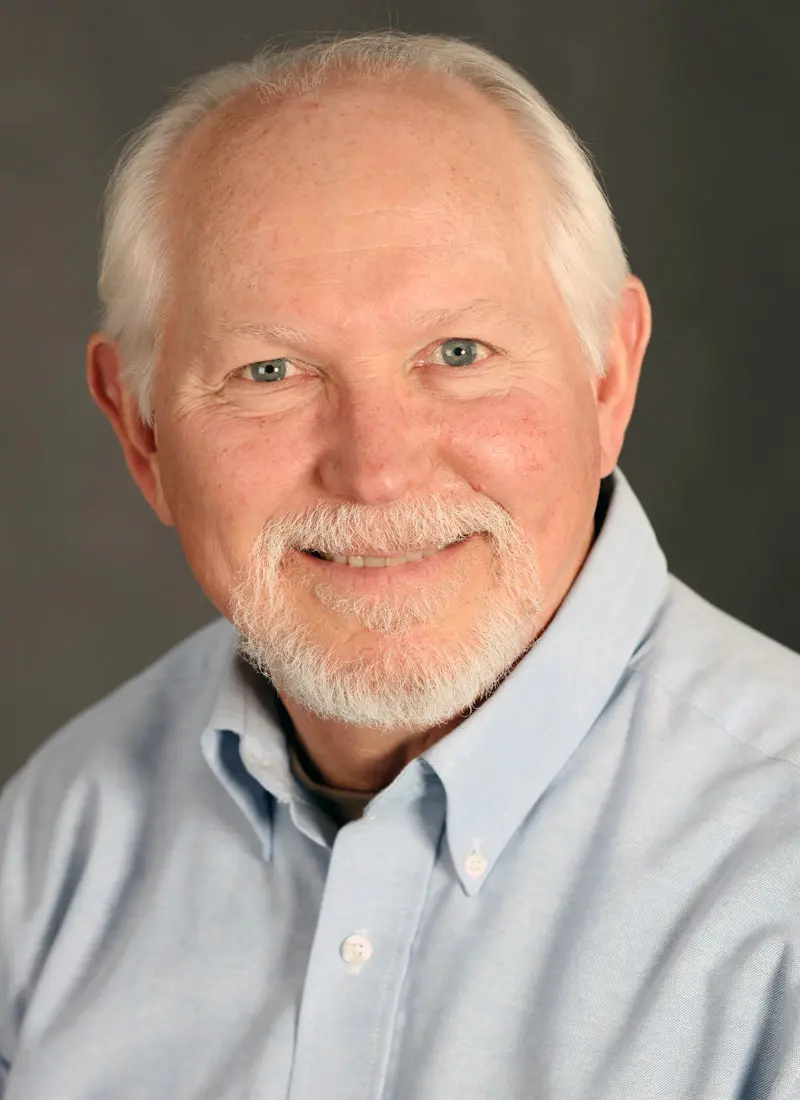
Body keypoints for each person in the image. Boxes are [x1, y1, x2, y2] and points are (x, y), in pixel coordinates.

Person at [2, 29, 799, 1100]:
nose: (374, 472)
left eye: (458, 354)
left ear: (608, 376)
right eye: (270, 371)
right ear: (140, 433)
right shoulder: (54, 844)